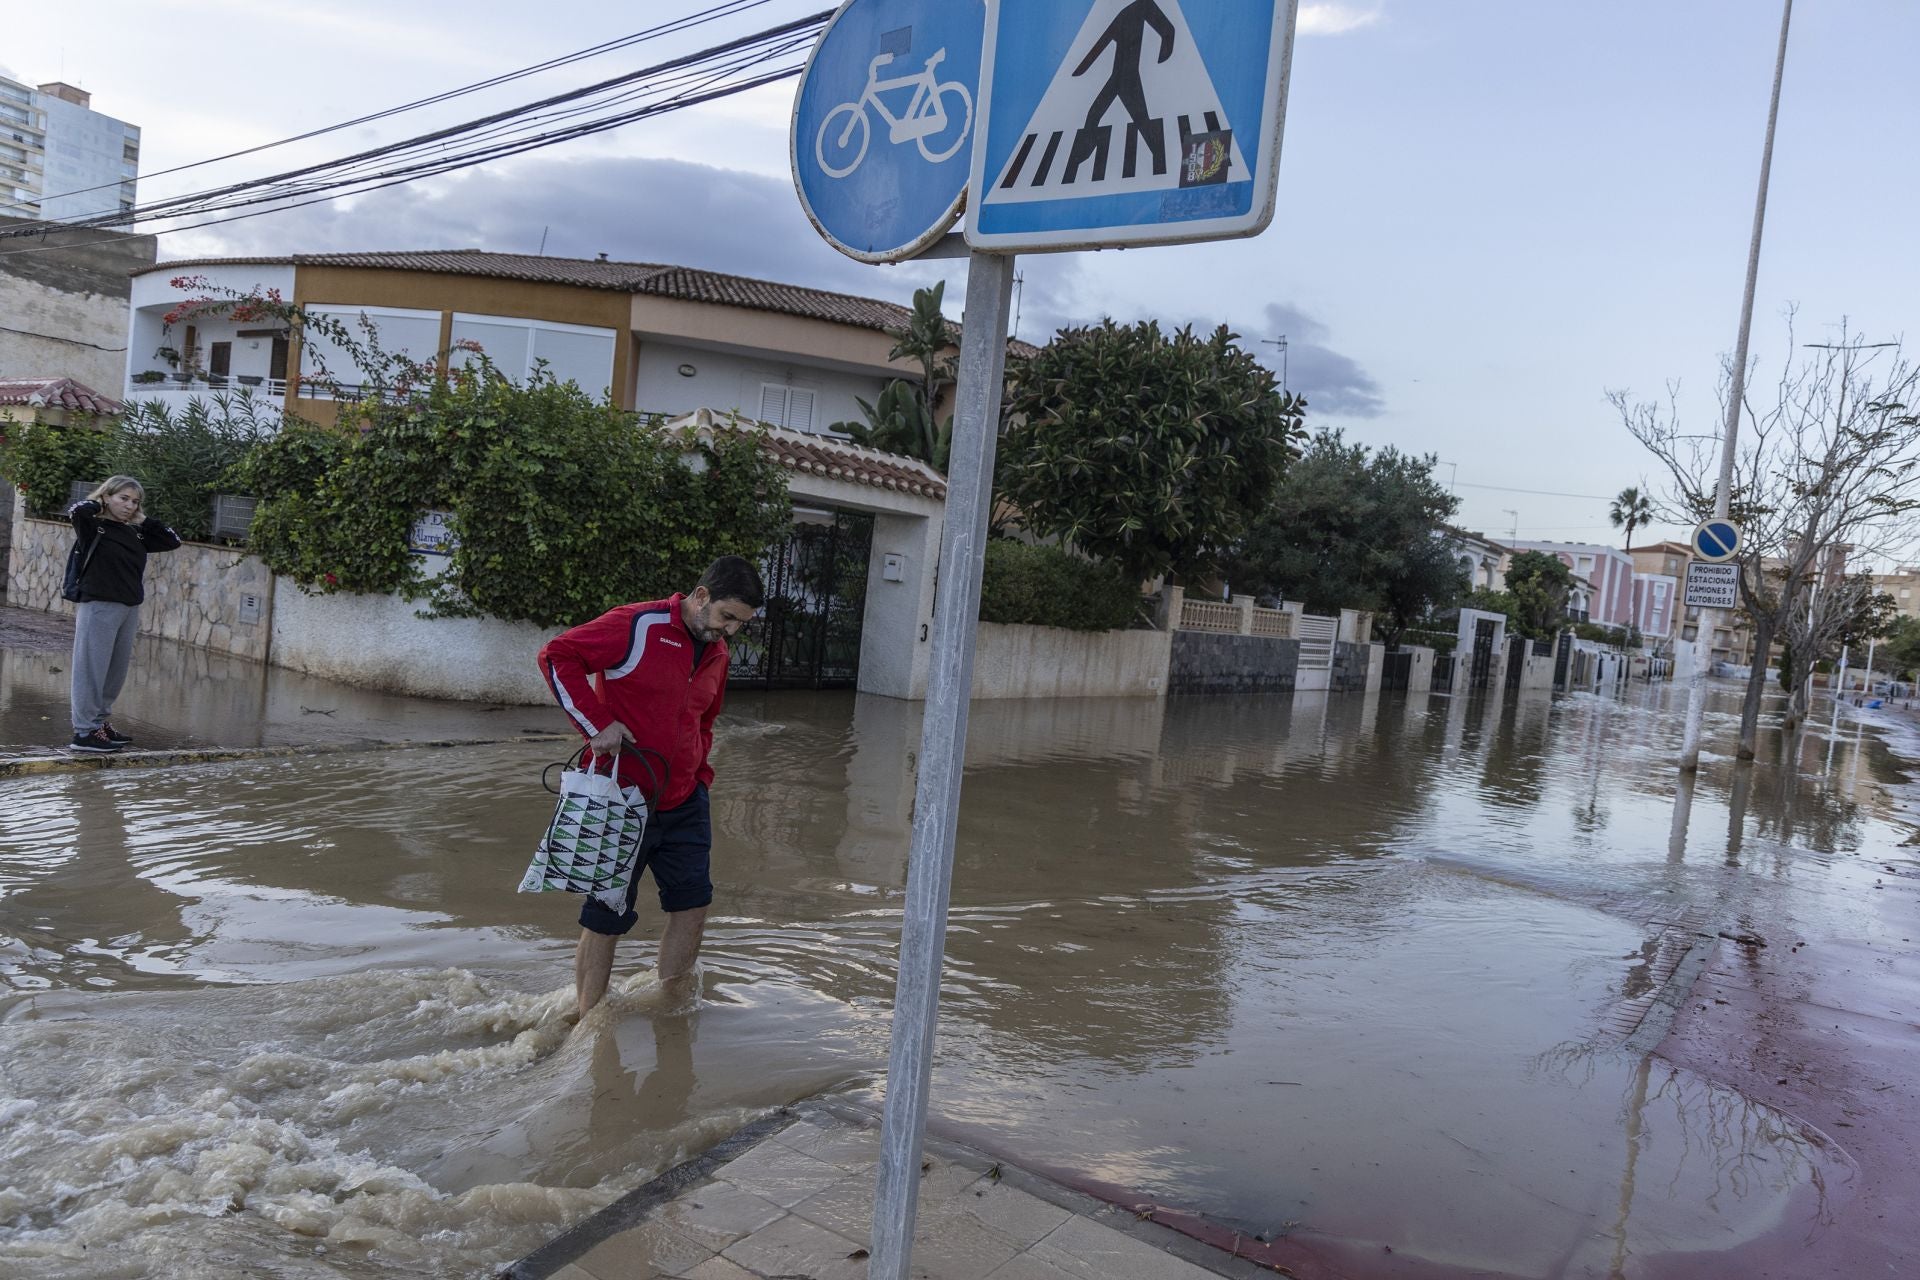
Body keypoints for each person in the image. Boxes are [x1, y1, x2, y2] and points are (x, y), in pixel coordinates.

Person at [537, 555, 764, 1018]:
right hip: (620, 799)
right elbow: (557, 656)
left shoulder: (717, 651)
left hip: (685, 801)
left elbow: (705, 720)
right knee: (606, 916)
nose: (731, 631)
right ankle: (588, 1025)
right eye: (727, 617)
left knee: (693, 905)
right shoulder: (636, 625)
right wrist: (597, 725)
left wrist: (701, 776)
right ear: (701, 596)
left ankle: (671, 1016)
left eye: (741, 623)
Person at [65, 477, 181, 753]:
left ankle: (99, 723)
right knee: (91, 669)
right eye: (123, 498)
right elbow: (77, 510)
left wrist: (141, 519)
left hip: (128, 607)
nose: (130, 506)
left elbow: (172, 540)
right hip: (99, 605)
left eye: (135, 501)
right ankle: (84, 733)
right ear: (107, 496)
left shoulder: (135, 532)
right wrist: (99, 503)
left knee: (114, 671)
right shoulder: (93, 526)